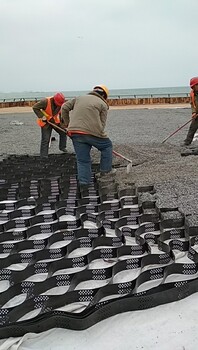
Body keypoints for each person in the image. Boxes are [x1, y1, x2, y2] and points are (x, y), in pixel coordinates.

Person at [61, 85, 115, 190]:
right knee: (107, 146)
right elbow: (102, 124)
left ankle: (84, 183)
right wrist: (100, 136)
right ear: (104, 95)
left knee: (83, 160)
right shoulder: (103, 104)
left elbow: (64, 107)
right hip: (92, 132)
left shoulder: (79, 98)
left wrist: (67, 124)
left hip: (75, 132)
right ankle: (106, 172)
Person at [32, 93, 67, 158]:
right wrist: (42, 116)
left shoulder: (61, 104)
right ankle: (44, 155)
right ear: (54, 100)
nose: (58, 105)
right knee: (46, 139)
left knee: (63, 132)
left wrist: (63, 124)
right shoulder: (45, 101)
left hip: (54, 121)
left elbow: (61, 113)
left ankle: (62, 147)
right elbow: (35, 107)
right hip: (46, 122)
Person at [182, 77, 198, 146]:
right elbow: (192, 104)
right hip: (197, 113)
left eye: (194, 86)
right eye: (193, 87)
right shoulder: (193, 93)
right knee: (192, 127)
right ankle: (187, 142)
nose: (193, 88)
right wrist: (194, 112)